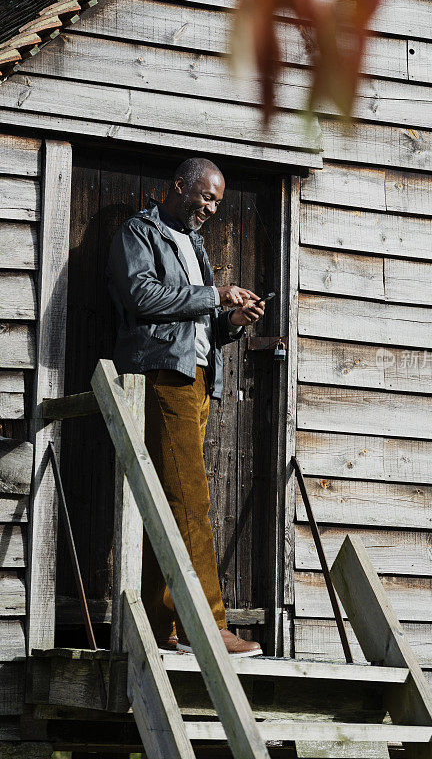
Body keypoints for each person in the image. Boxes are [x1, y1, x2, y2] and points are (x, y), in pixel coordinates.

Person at [107, 157, 265, 656]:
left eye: (218, 201)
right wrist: (214, 294)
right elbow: (141, 295)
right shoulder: (140, 231)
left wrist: (233, 320)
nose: (213, 208)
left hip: (197, 381)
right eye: (208, 197)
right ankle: (207, 625)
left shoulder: (193, 244)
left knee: (172, 503)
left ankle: (165, 628)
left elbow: (199, 323)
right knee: (190, 503)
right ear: (179, 186)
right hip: (163, 377)